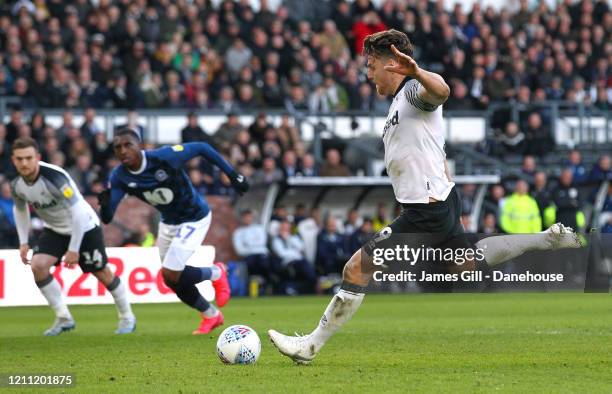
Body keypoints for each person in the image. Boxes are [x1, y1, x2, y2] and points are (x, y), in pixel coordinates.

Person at [268, 29, 583, 364]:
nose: (367, 73)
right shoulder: (398, 104)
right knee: (466, 265)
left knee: (357, 268)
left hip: (427, 209)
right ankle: (544, 241)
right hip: (439, 201)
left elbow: (443, 91)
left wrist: (416, 71)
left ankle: (310, 346)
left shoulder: (414, 91)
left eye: (372, 65)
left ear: (393, 64)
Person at [98, 128, 249, 334]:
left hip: (194, 217)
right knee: (170, 279)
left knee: (171, 272)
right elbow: (107, 217)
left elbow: (202, 148)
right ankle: (211, 315)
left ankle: (216, 273)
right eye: (118, 148)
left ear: (139, 145)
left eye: (128, 145)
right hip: (168, 222)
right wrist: (105, 207)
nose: (123, 151)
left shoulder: (164, 157)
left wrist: (232, 175)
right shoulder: (119, 176)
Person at [10, 137, 136, 336]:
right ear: (13, 160)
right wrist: (23, 241)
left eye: (28, 158)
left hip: (84, 227)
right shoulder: (16, 183)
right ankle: (64, 318)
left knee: (102, 272)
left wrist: (73, 249)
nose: (24, 163)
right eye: (19, 159)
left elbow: (77, 212)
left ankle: (127, 316)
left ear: (38, 157)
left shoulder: (55, 178)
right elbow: (20, 209)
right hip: (55, 229)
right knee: (38, 266)